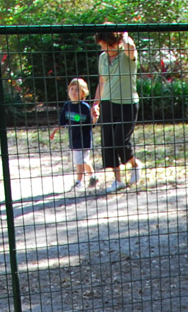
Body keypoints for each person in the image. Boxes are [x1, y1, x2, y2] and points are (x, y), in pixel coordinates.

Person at [92, 27, 142, 195]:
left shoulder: (127, 55)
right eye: (102, 46)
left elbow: (132, 49)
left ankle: (135, 165)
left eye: (107, 45)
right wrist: (95, 104)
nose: (104, 49)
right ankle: (118, 180)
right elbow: (102, 81)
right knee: (108, 142)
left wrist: (125, 36)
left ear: (116, 42)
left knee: (121, 140)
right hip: (107, 103)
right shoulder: (102, 58)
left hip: (127, 103)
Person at [50, 78, 98, 190]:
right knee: (84, 160)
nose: (73, 91)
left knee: (79, 161)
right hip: (74, 139)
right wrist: (54, 130)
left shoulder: (85, 107)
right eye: (71, 89)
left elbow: (91, 122)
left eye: (77, 89)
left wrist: (95, 118)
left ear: (83, 93)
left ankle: (79, 182)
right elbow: (62, 122)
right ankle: (93, 177)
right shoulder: (67, 106)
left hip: (84, 139)